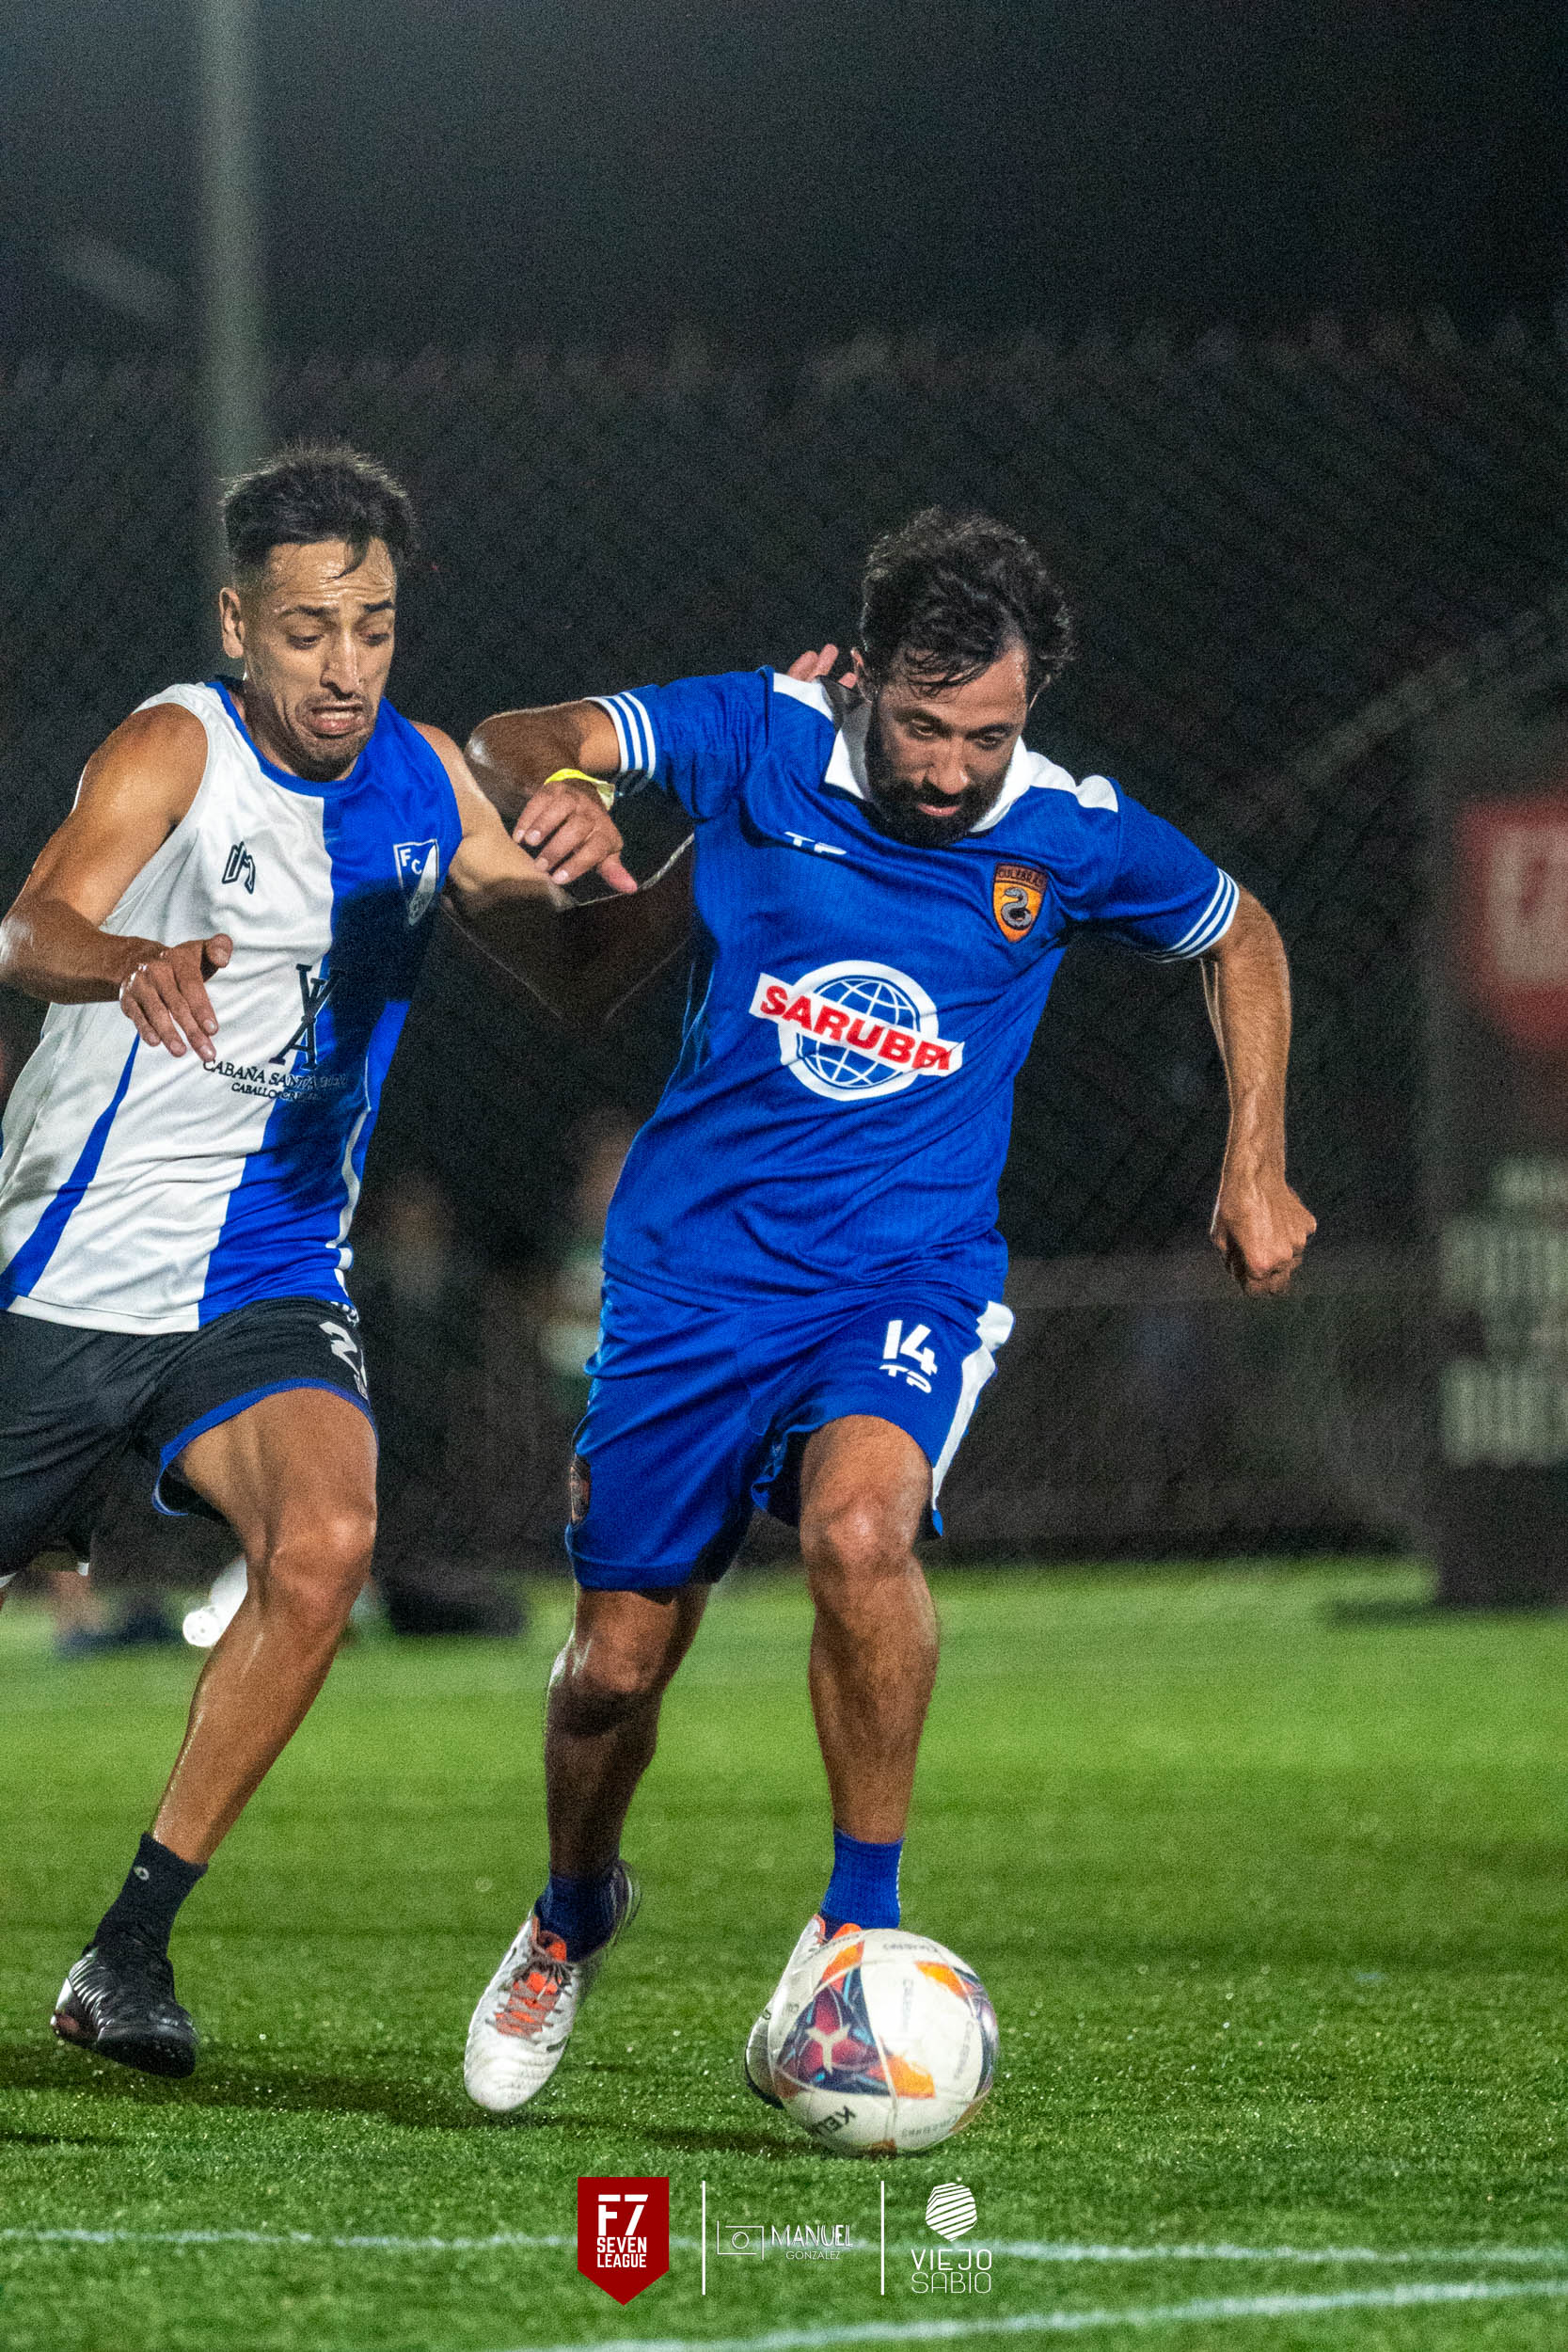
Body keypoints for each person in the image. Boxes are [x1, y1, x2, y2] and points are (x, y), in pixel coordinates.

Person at [459, 506, 1316, 2114]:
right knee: (613, 1671)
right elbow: (518, 735)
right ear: (862, 679)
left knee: (863, 1532)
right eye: (924, 727)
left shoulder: (1067, 830)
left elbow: (1240, 930)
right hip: (695, 1281)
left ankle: (856, 1928)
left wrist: (1253, 1157)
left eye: (987, 734)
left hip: (905, 1278)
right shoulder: (763, 734)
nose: (951, 768)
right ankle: (572, 1912)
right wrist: (571, 785)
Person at [0, 441, 636, 2079]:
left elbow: (578, 967)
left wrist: (670, 848)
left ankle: (129, 1953)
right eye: (307, 631)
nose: (345, 664)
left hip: (268, 1273)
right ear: (239, 627)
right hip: (68, 1275)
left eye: (373, 626)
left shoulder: (424, 776)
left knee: (327, 1538)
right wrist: (126, 959)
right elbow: (29, 928)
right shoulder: (179, 744)